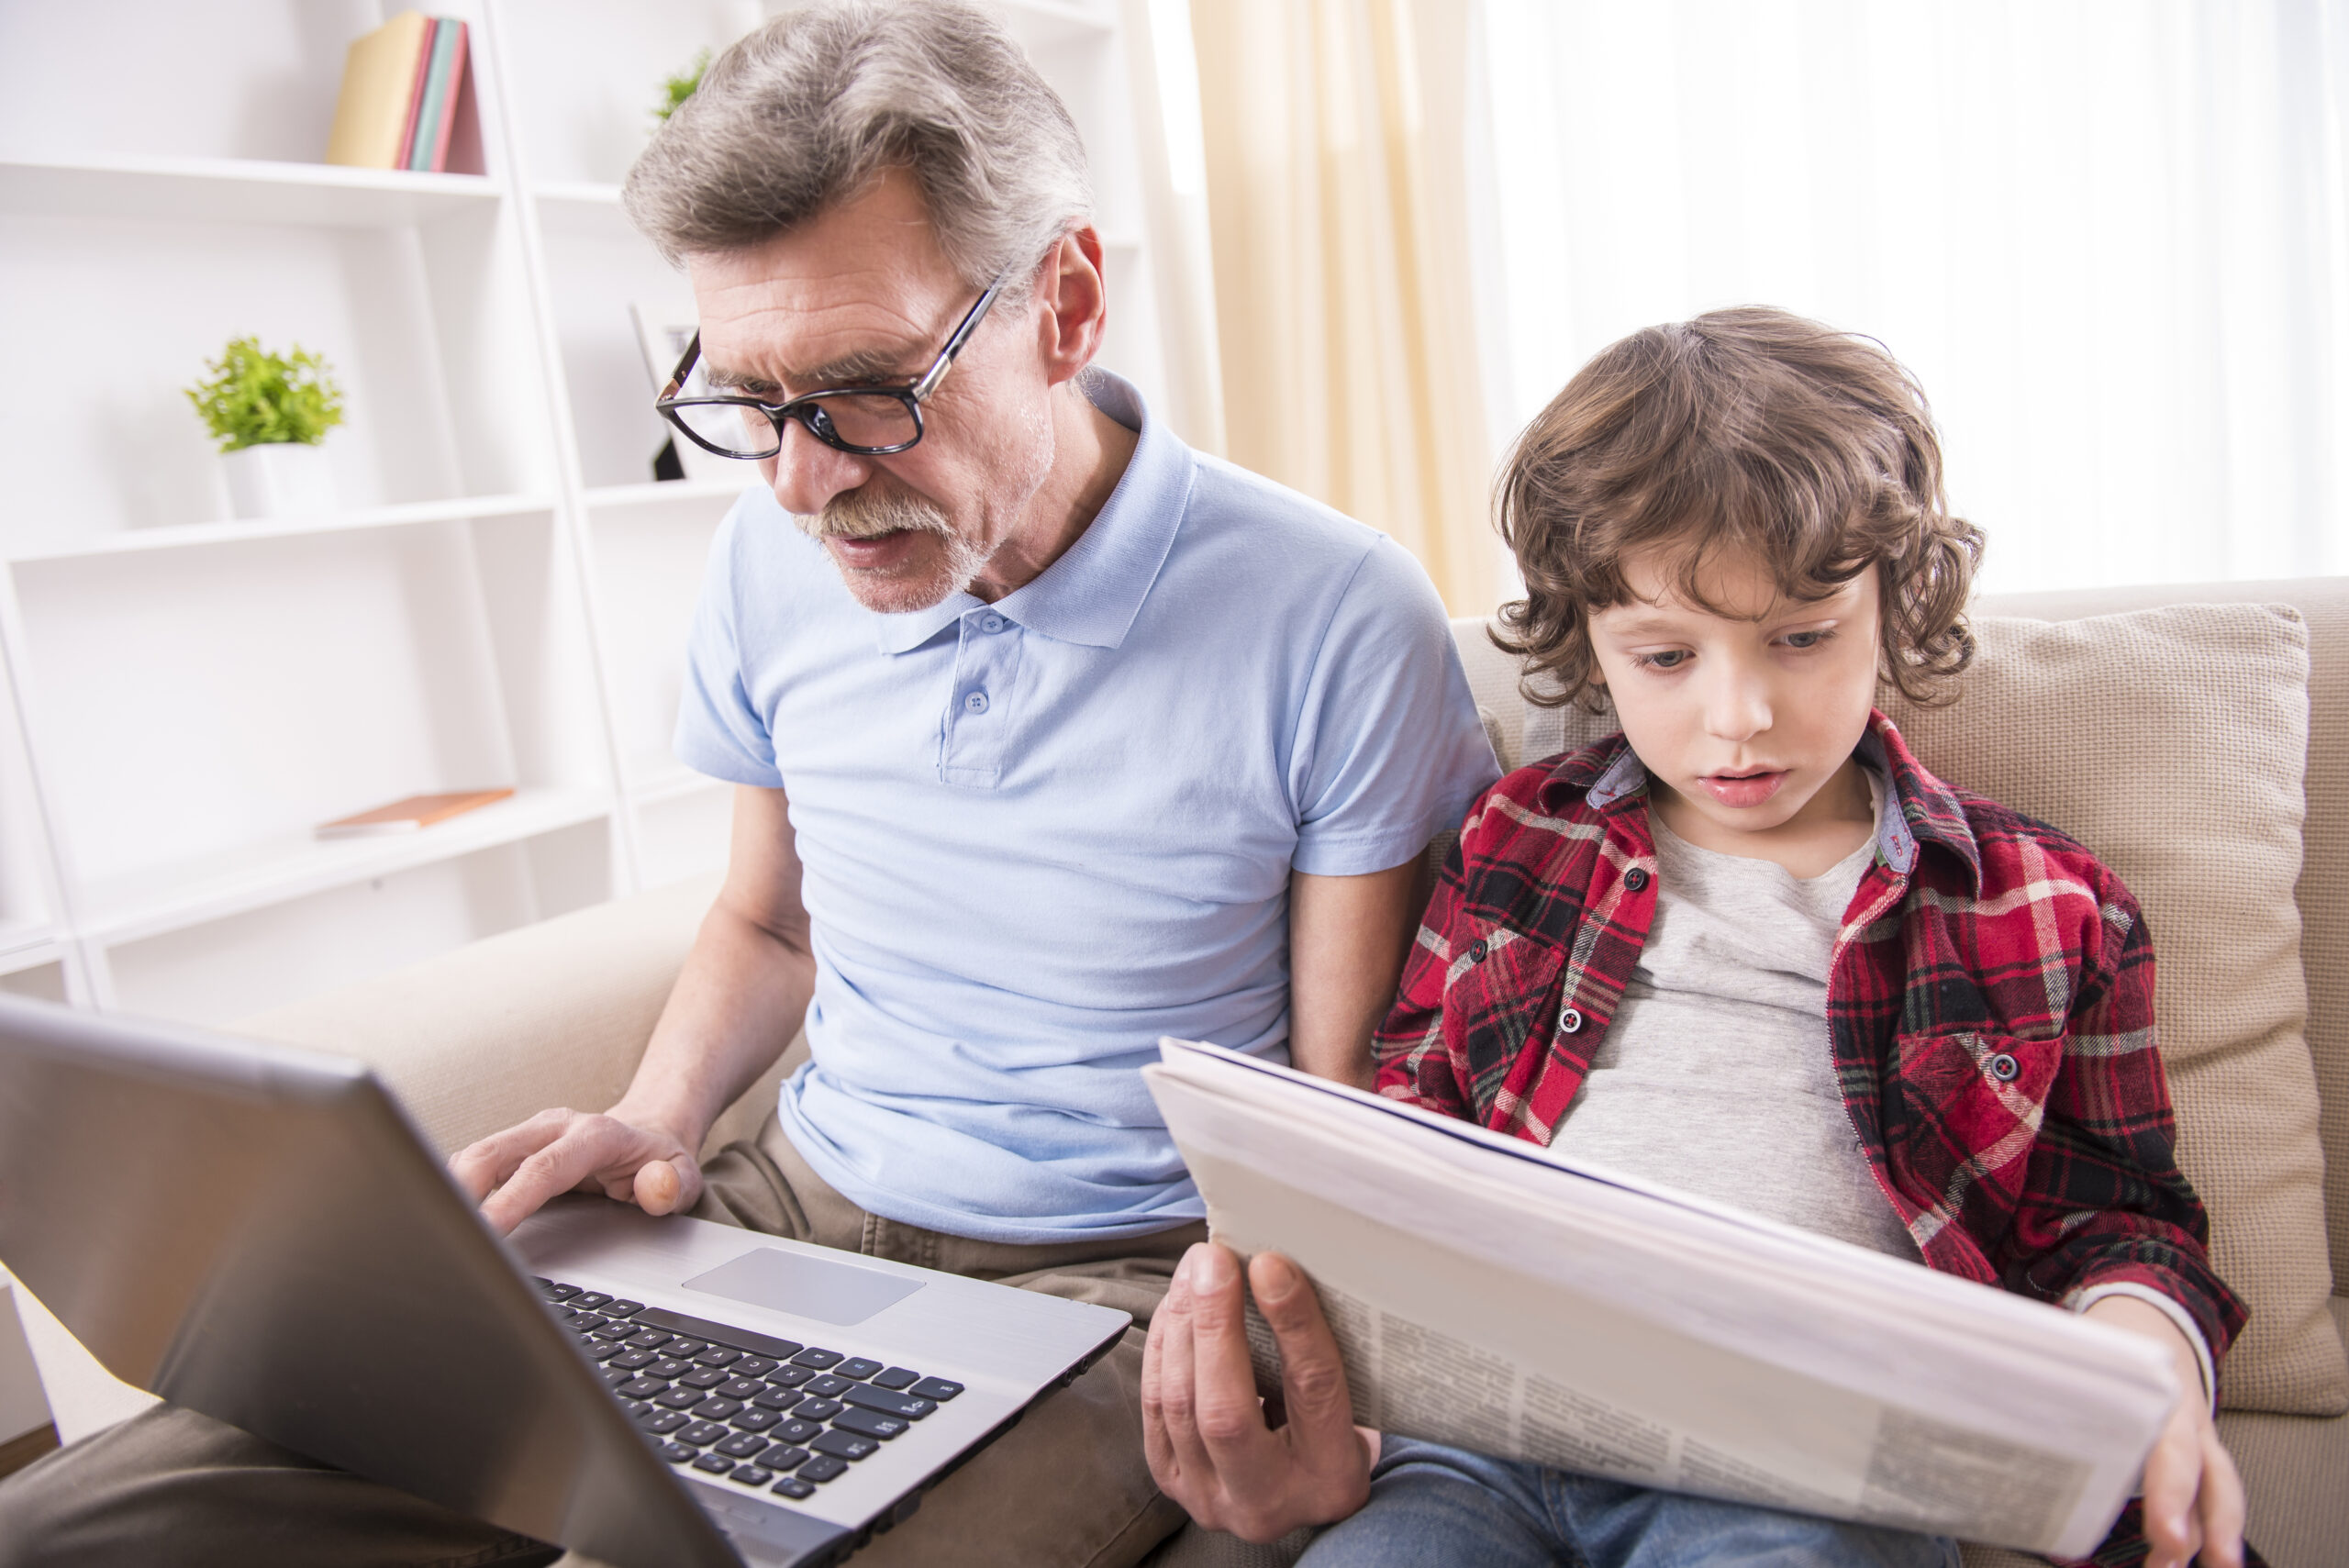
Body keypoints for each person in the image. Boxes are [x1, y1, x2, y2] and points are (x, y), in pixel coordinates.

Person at [0, 5, 1497, 1565]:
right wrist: (651, 1117)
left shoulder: (1333, 614)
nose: (801, 480)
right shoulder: (765, 564)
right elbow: (767, 925)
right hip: (783, 1204)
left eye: (865, 389)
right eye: (749, 401)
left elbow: (1333, 1125)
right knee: (90, 1519)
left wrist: (1280, 1375)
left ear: (1067, 301)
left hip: (1115, 1280)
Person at [1141, 308, 2251, 1568]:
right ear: (1593, 647)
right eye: (1666, 655)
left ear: (1895, 598)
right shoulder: (1517, 839)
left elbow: (2125, 1222)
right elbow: (1410, 1127)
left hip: (1807, 1467)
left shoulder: (2042, 905)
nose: (1741, 715)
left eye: (1802, 638)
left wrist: (2146, 1350)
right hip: (1480, 1456)